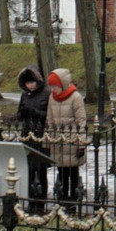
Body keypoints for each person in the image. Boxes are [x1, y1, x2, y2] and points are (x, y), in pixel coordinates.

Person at [46, 68, 87, 209]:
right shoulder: (52, 98)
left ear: (63, 84)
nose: (53, 89)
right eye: (51, 86)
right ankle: (62, 199)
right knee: (61, 172)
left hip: (72, 140)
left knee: (73, 172)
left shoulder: (76, 97)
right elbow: (49, 120)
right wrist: (48, 141)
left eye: (55, 86)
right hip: (58, 141)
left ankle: (73, 200)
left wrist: (81, 144)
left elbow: (81, 122)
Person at [16, 66, 51, 214]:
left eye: (32, 83)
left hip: (40, 135)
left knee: (41, 170)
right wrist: (21, 113)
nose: (30, 86)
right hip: (27, 135)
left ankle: (41, 202)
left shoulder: (46, 94)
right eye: (27, 83)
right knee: (29, 171)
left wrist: (35, 112)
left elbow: (49, 116)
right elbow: (18, 115)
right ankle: (31, 201)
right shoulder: (24, 96)